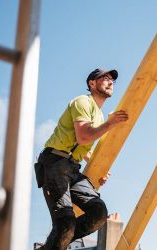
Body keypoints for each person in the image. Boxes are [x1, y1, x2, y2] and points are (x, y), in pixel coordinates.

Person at [34, 68, 128, 250]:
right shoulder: (82, 102)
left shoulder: (99, 115)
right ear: (92, 84)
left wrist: (100, 168)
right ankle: (59, 237)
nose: (110, 82)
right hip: (54, 162)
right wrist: (110, 124)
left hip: (72, 168)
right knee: (66, 222)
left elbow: (85, 148)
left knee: (98, 213)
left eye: (112, 80)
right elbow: (84, 137)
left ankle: (52, 245)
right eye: (105, 78)